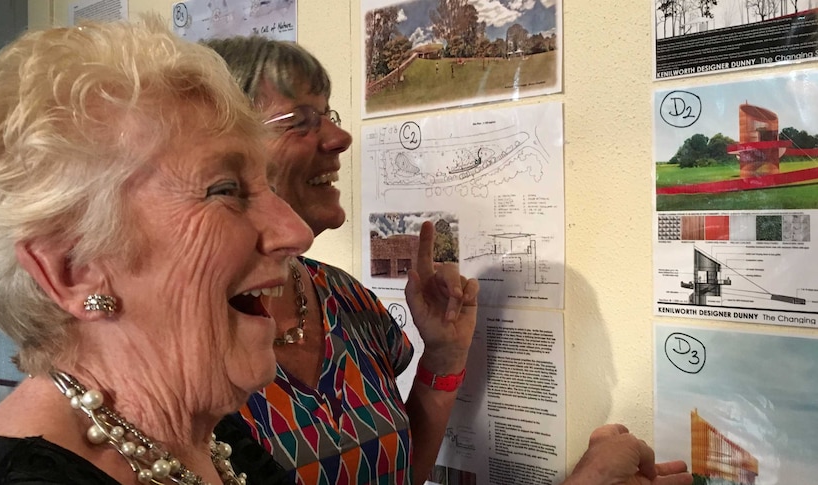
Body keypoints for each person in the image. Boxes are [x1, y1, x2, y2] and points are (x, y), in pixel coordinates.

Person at [204, 37, 692, 485]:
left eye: (328, 113)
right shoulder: (178, 348)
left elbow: (398, 473)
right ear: (221, 157)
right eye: (302, 121)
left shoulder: (344, 297)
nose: (339, 137)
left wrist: (443, 357)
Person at [0, 17, 312, 485]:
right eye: (225, 190)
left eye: (267, 186)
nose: (295, 230)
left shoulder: (211, 435)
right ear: (72, 269)